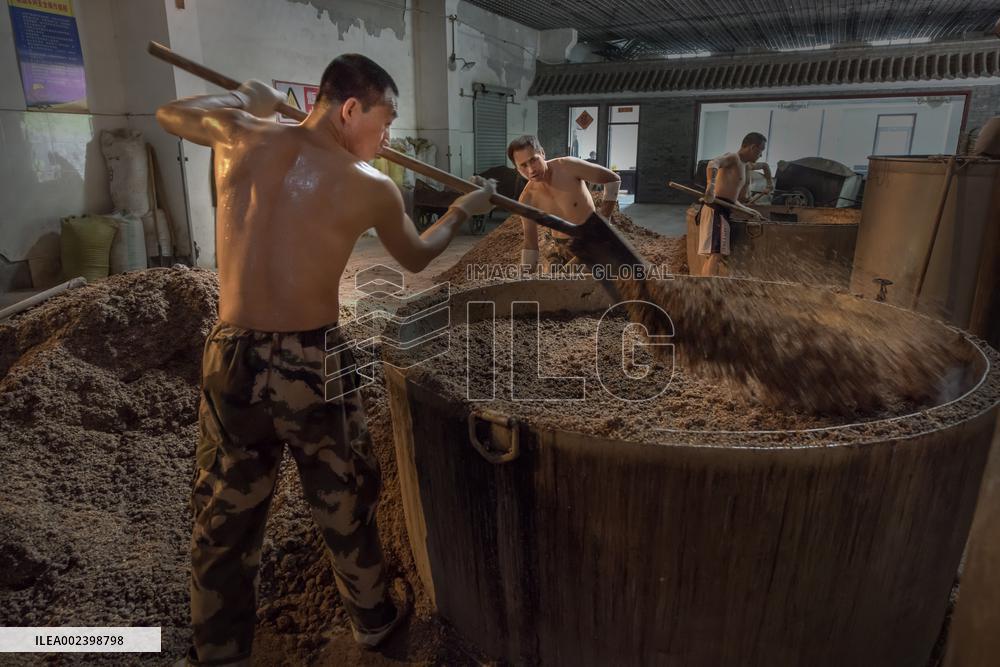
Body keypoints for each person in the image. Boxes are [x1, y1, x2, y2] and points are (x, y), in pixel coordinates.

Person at [156, 54, 495, 666]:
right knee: (344, 495)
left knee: (225, 508)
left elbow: (171, 112)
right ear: (349, 109)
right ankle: (372, 620)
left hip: (230, 354)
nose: (386, 138)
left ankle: (218, 647)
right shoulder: (369, 185)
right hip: (310, 360)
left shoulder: (239, 135)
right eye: (384, 122)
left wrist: (243, 101)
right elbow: (419, 258)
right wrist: (460, 212)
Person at [507, 135, 620, 270]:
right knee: (555, 286)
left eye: (533, 160)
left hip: (592, 241)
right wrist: (525, 277)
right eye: (523, 165)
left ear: (542, 153)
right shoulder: (527, 199)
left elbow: (613, 179)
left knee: (590, 285)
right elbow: (531, 244)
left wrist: (604, 220)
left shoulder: (568, 167)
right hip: (560, 248)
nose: (531, 170)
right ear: (517, 169)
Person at [699, 132, 771, 276]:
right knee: (715, 255)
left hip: (724, 209)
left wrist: (748, 210)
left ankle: (707, 286)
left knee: (715, 256)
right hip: (716, 209)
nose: (761, 155)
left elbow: (732, 199)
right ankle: (706, 290)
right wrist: (710, 186)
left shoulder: (744, 166)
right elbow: (713, 163)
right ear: (752, 147)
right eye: (760, 150)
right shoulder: (733, 157)